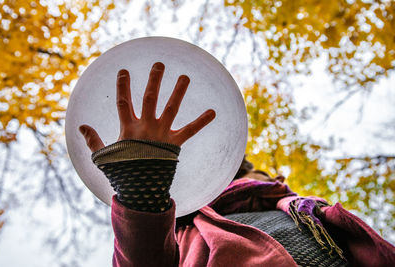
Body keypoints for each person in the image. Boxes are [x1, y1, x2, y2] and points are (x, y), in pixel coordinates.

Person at [79, 62, 395, 267]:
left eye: (249, 172)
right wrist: (143, 183)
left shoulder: (307, 210)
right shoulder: (183, 233)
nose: (242, 178)